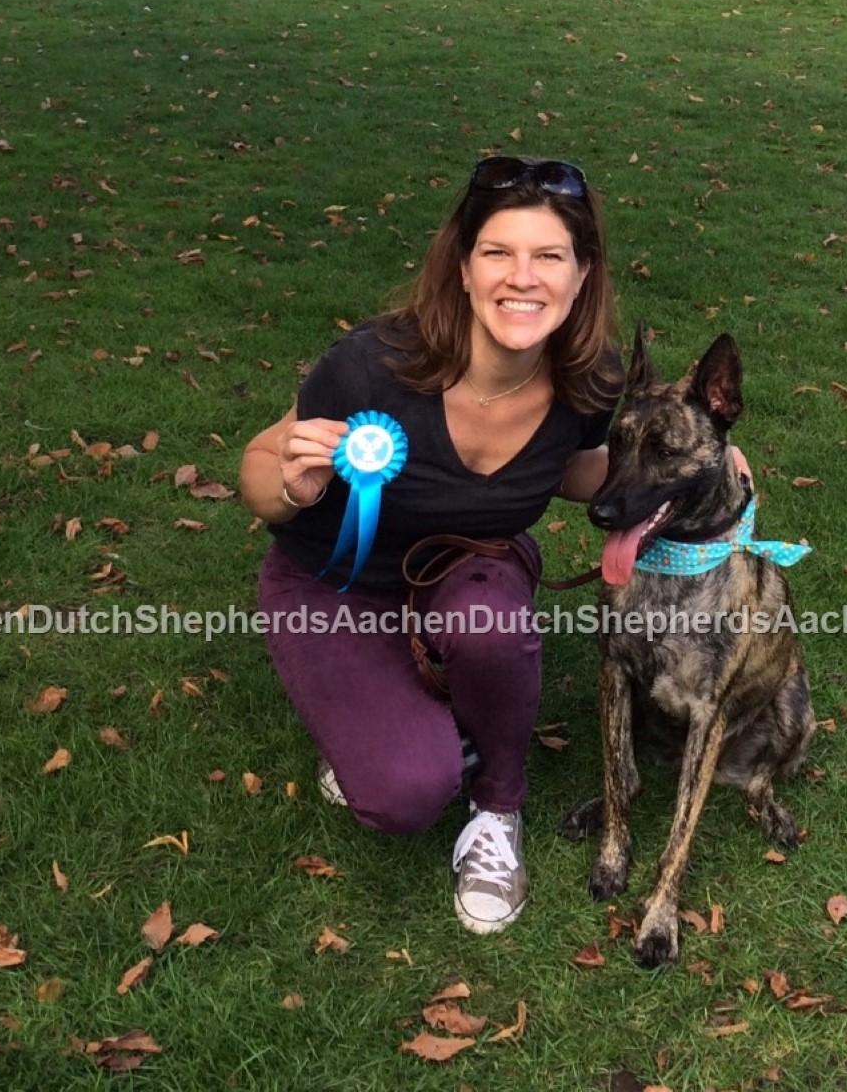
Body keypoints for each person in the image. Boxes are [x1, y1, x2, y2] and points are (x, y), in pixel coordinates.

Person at [239, 156, 621, 934]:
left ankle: (497, 807)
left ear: (581, 275)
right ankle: (422, 742)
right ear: (462, 268)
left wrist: (701, 463)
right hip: (332, 586)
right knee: (405, 792)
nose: (524, 278)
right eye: (498, 253)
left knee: (486, 623)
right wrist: (292, 486)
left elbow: (579, 473)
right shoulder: (373, 366)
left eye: (549, 256)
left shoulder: (589, 382)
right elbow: (257, 462)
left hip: (471, 570)